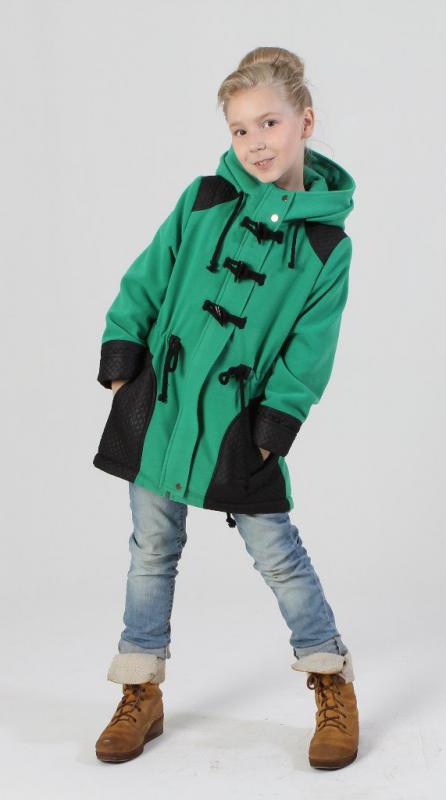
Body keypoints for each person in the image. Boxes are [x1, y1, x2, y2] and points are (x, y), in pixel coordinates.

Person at [94, 46, 359, 770]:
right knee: (151, 549)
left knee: (278, 555)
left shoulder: (326, 244)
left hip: (239, 427)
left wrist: (269, 432)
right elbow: (146, 278)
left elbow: (310, 349)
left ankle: (331, 679)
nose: (256, 143)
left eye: (269, 123)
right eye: (240, 129)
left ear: (305, 122)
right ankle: (140, 691)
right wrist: (124, 372)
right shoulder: (205, 198)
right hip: (163, 408)